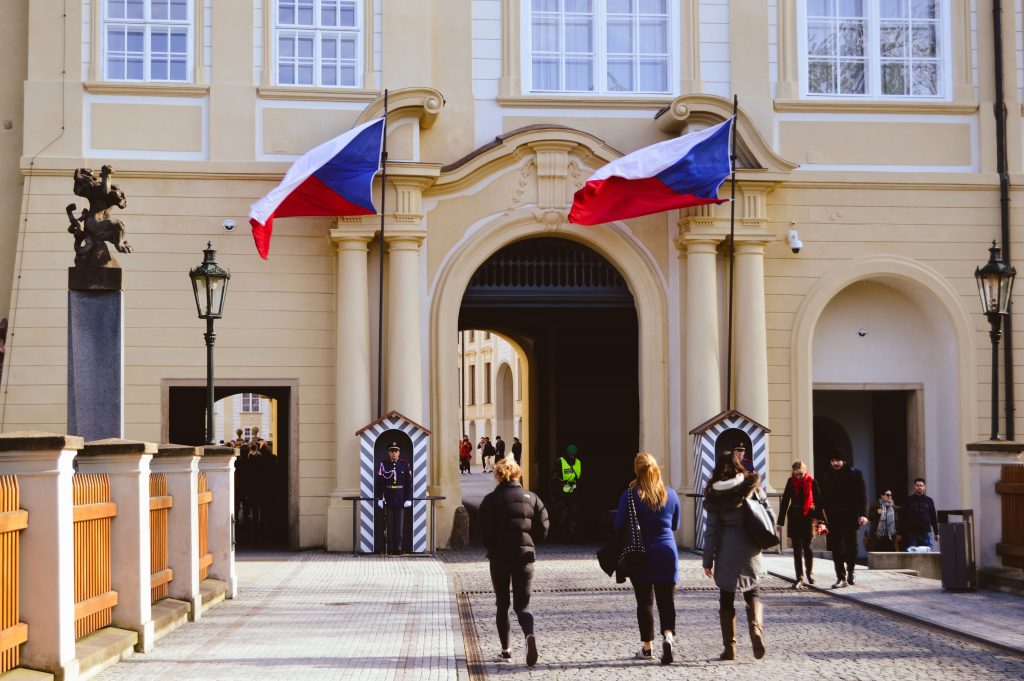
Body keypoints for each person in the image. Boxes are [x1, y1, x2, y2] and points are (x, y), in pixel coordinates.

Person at [477, 459, 549, 666]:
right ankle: (529, 635)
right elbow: (543, 526)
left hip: (499, 558)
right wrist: (530, 542)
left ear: (498, 476)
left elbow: (484, 529)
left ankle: (506, 650)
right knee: (522, 606)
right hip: (524, 558)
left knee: (502, 604)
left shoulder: (491, 500)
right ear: (518, 474)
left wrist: (492, 545)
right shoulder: (532, 498)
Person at [614, 453, 680, 665]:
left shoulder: (630, 495)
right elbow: (675, 525)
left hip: (640, 555)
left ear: (636, 470)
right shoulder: (671, 495)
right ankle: (668, 636)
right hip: (667, 553)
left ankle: (647, 646)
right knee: (666, 601)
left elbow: (618, 525)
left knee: (645, 603)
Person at [702, 446, 766, 661]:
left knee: (726, 597)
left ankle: (730, 648)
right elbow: (764, 509)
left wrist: (707, 560)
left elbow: (711, 531)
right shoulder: (750, 485)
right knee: (753, 592)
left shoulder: (714, 494)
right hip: (749, 544)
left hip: (727, 547)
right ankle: (756, 630)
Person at [820, 450, 868, 588]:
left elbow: (862, 495)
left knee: (851, 546)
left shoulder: (855, 473)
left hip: (851, 515)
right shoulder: (827, 475)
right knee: (836, 547)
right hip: (834, 517)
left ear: (843, 461)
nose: (835, 463)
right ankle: (841, 577)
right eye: (832, 460)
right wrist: (821, 518)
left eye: (837, 460)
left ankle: (851, 571)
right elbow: (824, 497)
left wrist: (863, 514)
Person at [776, 459, 823, 589]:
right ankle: (799, 578)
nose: (798, 476)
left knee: (807, 547)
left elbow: (819, 502)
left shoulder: (812, 482)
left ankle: (809, 572)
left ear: (805, 471)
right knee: (796, 550)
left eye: (800, 474)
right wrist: (780, 522)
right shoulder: (791, 482)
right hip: (795, 517)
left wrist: (820, 520)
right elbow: (785, 501)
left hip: (808, 517)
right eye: (796, 474)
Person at [376, 443, 413, 554]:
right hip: (388, 498)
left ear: (399, 452)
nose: (393, 453)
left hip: (401, 498)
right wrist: (379, 498)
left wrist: (409, 498)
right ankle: (391, 548)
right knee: (390, 525)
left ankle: (398, 548)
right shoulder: (384, 465)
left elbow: (409, 484)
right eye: (391, 451)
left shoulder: (404, 465)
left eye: (395, 451)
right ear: (388, 452)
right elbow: (379, 483)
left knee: (400, 525)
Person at [552, 444, 582, 541]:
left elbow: (582, 478)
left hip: (575, 492)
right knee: (563, 515)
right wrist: (556, 492)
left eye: (574, 454)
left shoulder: (578, 462)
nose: (572, 456)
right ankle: (563, 537)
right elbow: (554, 478)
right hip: (562, 493)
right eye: (571, 454)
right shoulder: (559, 462)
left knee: (574, 515)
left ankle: (573, 536)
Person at [902, 478, 939, 550]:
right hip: (912, 532)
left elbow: (933, 516)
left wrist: (936, 532)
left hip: (926, 532)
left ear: (924, 487)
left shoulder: (929, 500)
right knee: (913, 555)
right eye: (917, 485)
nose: (919, 487)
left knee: (927, 553)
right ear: (914, 486)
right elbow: (904, 517)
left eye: (921, 485)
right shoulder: (909, 500)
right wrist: (900, 532)